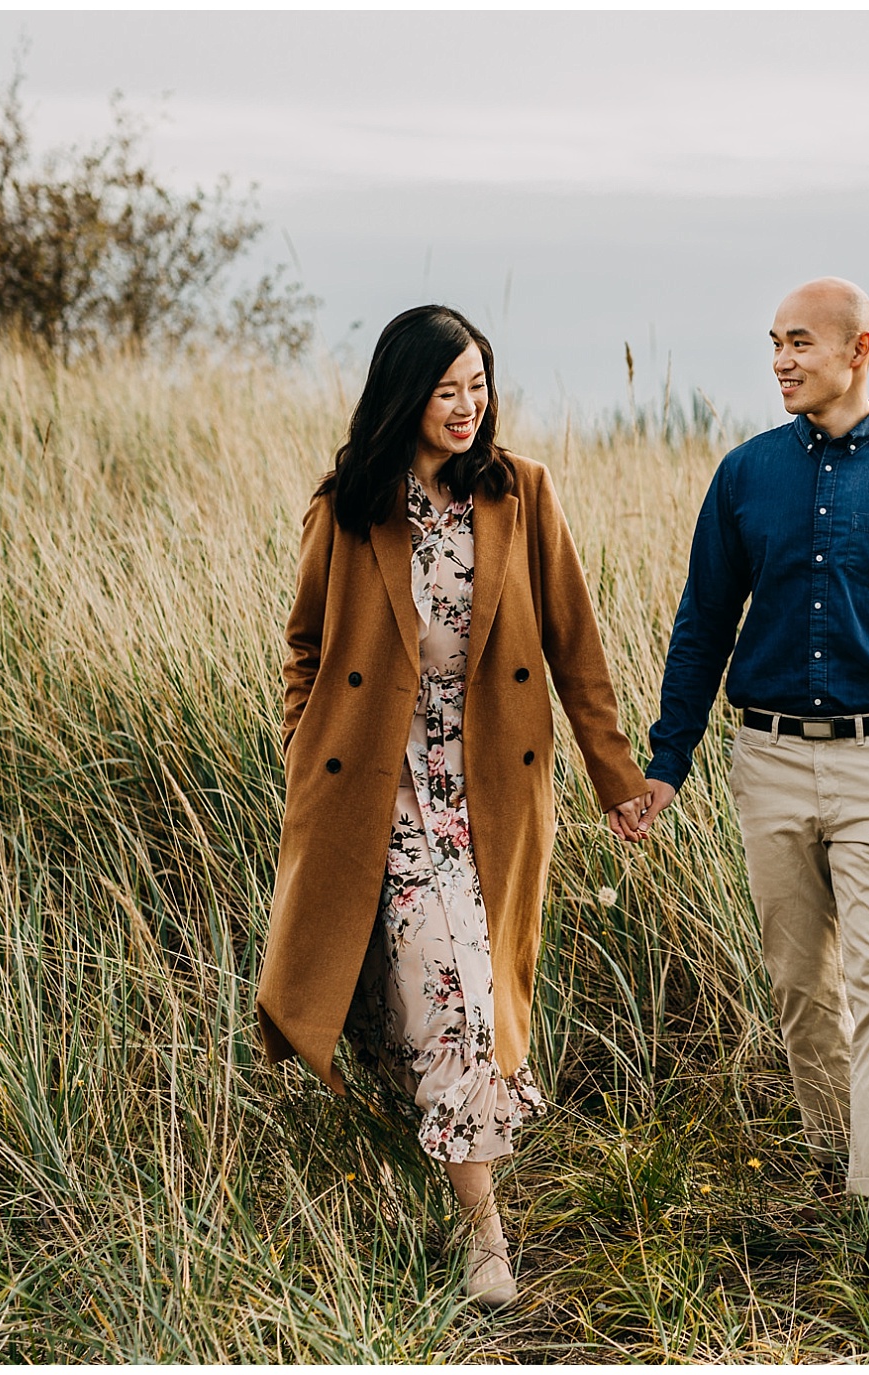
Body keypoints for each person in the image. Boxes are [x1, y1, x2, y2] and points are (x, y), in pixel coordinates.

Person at [257, 305, 649, 1308]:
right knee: (443, 1006)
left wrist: (615, 779)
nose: (467, 405)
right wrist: (305, 751)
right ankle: (485, 1238)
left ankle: (443, 1193)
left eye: (477, 384)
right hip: (376, 801)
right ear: (405, 396)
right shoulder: (349, 504)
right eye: (446, 391)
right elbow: (305, 643)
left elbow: (575, 648)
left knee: (460, 1004)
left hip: (487, 797)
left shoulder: (522, 496)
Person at [637, 278, 869, 1289]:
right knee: (803, 985)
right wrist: (666, 762)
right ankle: (833, 1158)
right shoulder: (744, 477)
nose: (779, 360)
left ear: (859, 350)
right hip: (767, 759)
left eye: (798, 342)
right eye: (772, 343)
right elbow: (700, 627)